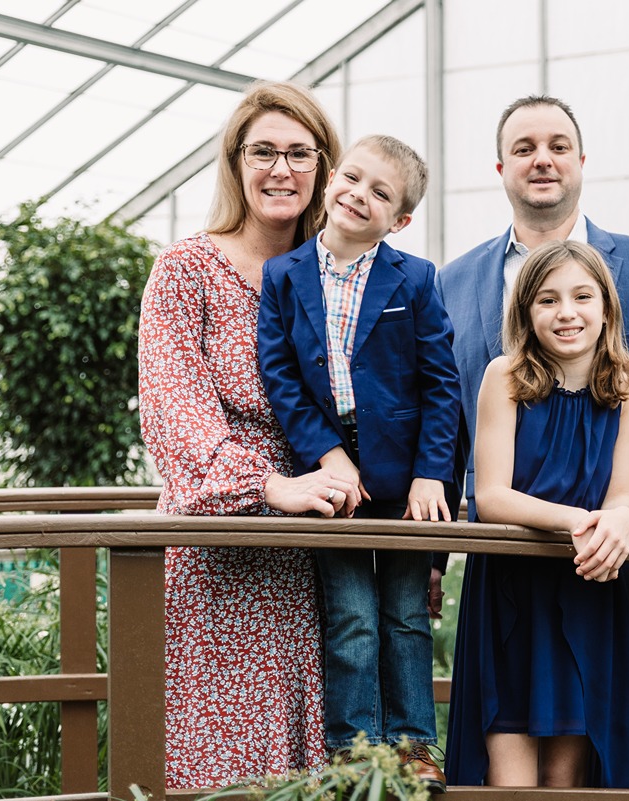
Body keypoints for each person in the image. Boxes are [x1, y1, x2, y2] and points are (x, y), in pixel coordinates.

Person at [434, 95, 629, 788]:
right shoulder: (454, 281)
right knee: (502, 755)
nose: (543, 158)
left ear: (582, 160)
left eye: (559, 144)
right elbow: (447, 437)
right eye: (526, 146)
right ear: (501, 165)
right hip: (505, 569)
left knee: (628, 753)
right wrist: (430, 554)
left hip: (615, 569)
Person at [138, 80, 350, 786]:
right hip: (216, 563)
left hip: (318, 561)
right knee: (216, 768)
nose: (281, 169)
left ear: (324, 166)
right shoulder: (186, 271)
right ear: (235, 162)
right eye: (263, 151)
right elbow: (177, 420)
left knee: (311, 764)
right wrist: (271, 486)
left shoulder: (338, 279)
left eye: (299, 153)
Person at [257, 134, 460, 793]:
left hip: (406, 484)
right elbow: (281, 375)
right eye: (352, 177)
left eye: (380, 193)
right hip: (331, 476)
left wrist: (433, 473)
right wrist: (329, 456)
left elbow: (441, 384)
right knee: (349, 615)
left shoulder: (416, 278)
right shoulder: (284, 275)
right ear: (331, 179)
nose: (358, 195)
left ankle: (412, 746)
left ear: (399, 219)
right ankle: (353, 750)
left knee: (404, 614)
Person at [446, 239, 629, 787]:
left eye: (582, 296)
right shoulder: (506, 376)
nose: (567, 312)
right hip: (511, 596)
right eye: (547, 300)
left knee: (567, 784)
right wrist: (579, 521)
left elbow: (621, 492)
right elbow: (489, 497)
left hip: (585, 594)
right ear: (526, 312)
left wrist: (621, 517)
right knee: (509, 784)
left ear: (606, 306)